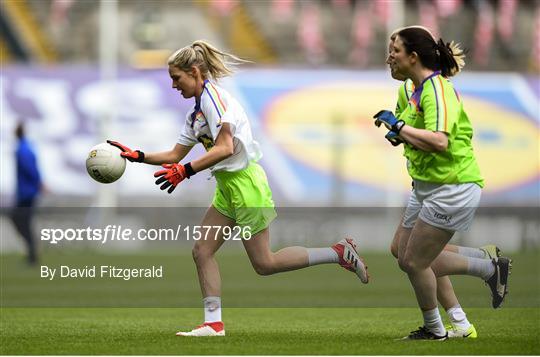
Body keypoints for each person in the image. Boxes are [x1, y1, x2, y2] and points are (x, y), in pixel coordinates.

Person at [107, 40, 369, 337]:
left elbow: (225, 148)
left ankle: (338, 253)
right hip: (228, 187)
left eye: (176, 78)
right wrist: (138, 156)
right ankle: (213, 324)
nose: (173, 85)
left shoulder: (214, 99)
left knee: (264, 263)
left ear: (194, 72)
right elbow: (174, 155)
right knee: (202, 251)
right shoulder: (196, 114)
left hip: (246, 186)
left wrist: (187, 171)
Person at [374, 27, 512, 340]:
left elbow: (439, 141)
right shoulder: (408, 89)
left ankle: (436, 330)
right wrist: (398, 132)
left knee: (414, 261)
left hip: (453, 186)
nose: (388, 58)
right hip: (426, 185)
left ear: (413, 56)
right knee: (402, 250)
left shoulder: (438, 90)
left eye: (394, 51)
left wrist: (399, 127)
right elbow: (408, 129)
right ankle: (465, 318)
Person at [11, 121, 43, 265]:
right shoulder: (27, 147)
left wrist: (38, 183)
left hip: (26, 193)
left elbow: (30, 169)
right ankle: (32, 253)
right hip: (27, 192)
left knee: (21, 221)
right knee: (23, 222)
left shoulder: (22, 149)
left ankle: (32, 254)